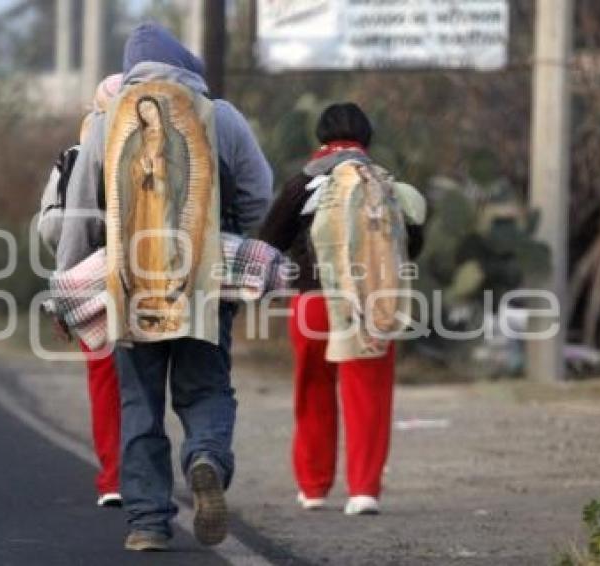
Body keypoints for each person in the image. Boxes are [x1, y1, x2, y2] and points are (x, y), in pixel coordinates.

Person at [56, 24, 273, 551]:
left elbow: (82, 211)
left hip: (130, 283)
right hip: (204, 280)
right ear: (185, 65)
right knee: (206, 388)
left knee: (139, 402)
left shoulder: (108, 121)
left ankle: (149, 522)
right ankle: (204, 456)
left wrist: (66, 287)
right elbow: (258, 195)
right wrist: (231, 241)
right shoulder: (221, 116)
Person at [260, 103, 425, 516]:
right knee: (367, 393)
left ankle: (313, 488)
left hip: (312, 304)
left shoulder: (304, 183)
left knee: (313, 389)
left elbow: (269, 241)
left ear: (320, 139)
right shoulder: (385, 183)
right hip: (372, 302)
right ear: (367, 140)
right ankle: (363, 490)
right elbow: (412, 244)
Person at [39, 74, 125, 508]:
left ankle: (114, 479)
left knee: (105, 380)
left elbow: (55, 226)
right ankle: (159, 475)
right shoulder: (165, 148)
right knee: (155, 383)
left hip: (96, 283)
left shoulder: (74, 158)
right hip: (163, 277)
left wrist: (63, 294)